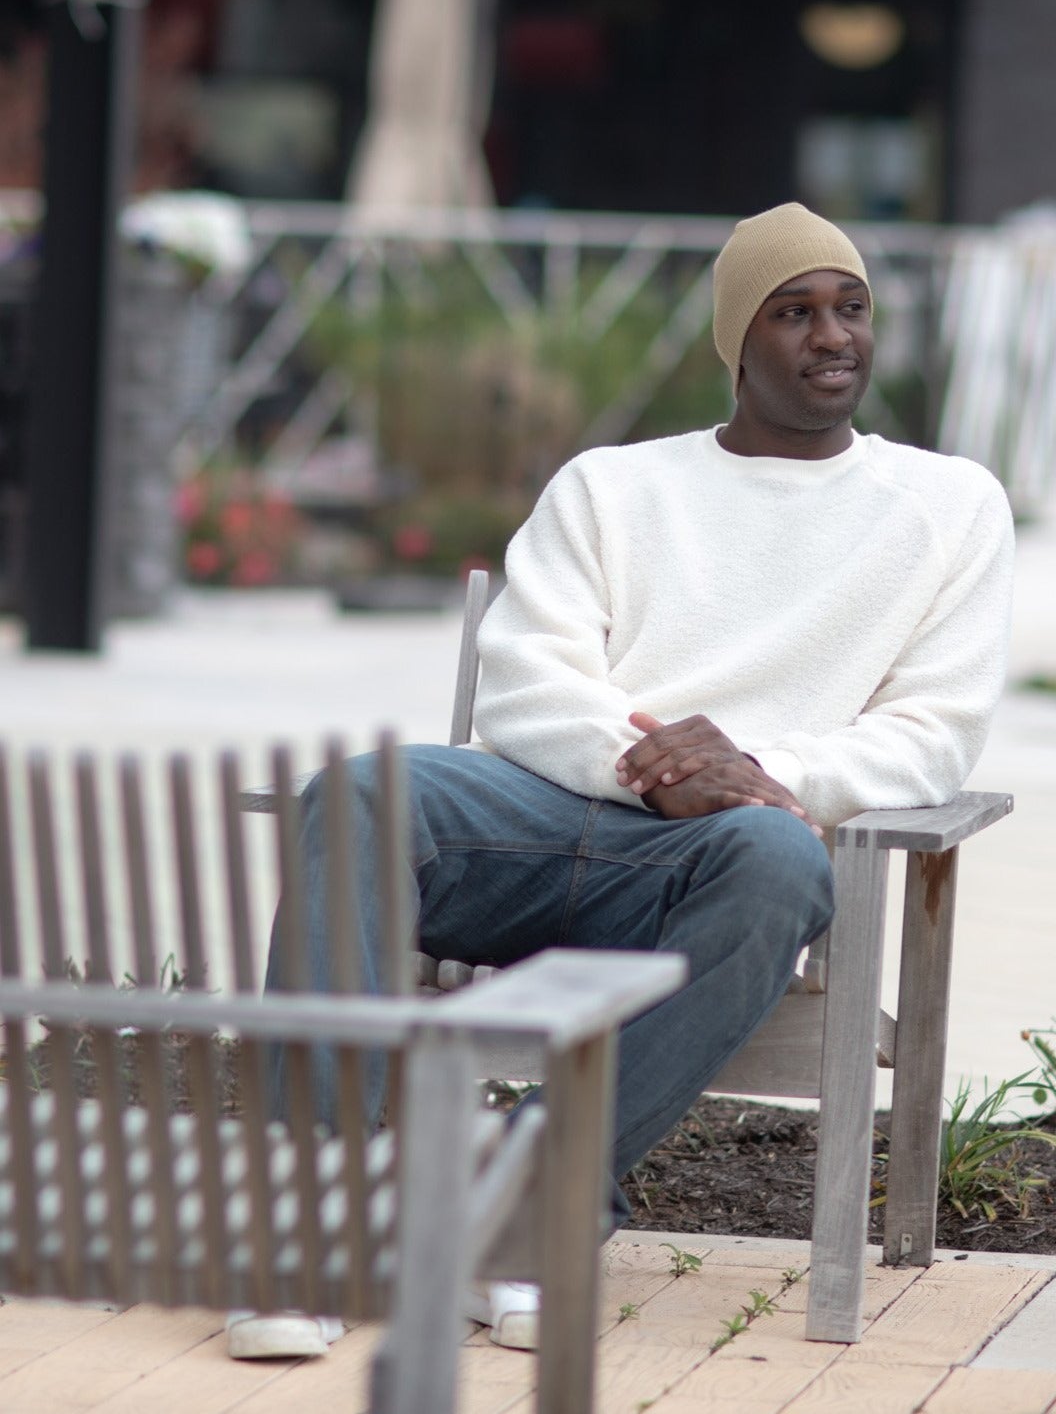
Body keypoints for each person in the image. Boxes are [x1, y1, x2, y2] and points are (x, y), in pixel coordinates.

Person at [226, 202, 1014, 1361]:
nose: (831, 336)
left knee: (780, 856)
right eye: (793, 313)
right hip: (543, 818)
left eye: (849, 308)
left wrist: (757, 773)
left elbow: (932, 732)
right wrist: (651, 772)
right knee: (359, 791)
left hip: (716, 858)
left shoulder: (949, 508)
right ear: (736, 345)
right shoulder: (615, 486)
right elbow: (525, 676)